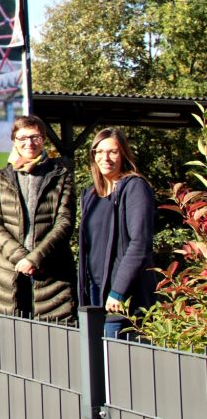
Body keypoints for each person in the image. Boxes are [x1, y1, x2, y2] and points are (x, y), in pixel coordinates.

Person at [0, 116, 76, 321]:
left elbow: (65, 221)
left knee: (54, 341)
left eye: (35, 137)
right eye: (22, 138)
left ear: (43, 139)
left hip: (52, 276)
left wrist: (34, 259)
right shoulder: (1, 177)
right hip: (8, 276)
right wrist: (21, 258)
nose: (29, 143)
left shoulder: (60, 175)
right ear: (14, 141)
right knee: (10, 340)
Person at [78, 128, 157, 339]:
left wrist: (118, 291)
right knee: (95, 365)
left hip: (121, 297)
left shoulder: (135, 188)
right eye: (99, 151)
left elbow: (139, 243)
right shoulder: (90, 195)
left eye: (113, 152)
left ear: (123, 154)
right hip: (94, 292)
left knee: (118, 365)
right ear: (93, 155)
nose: (106, 158)